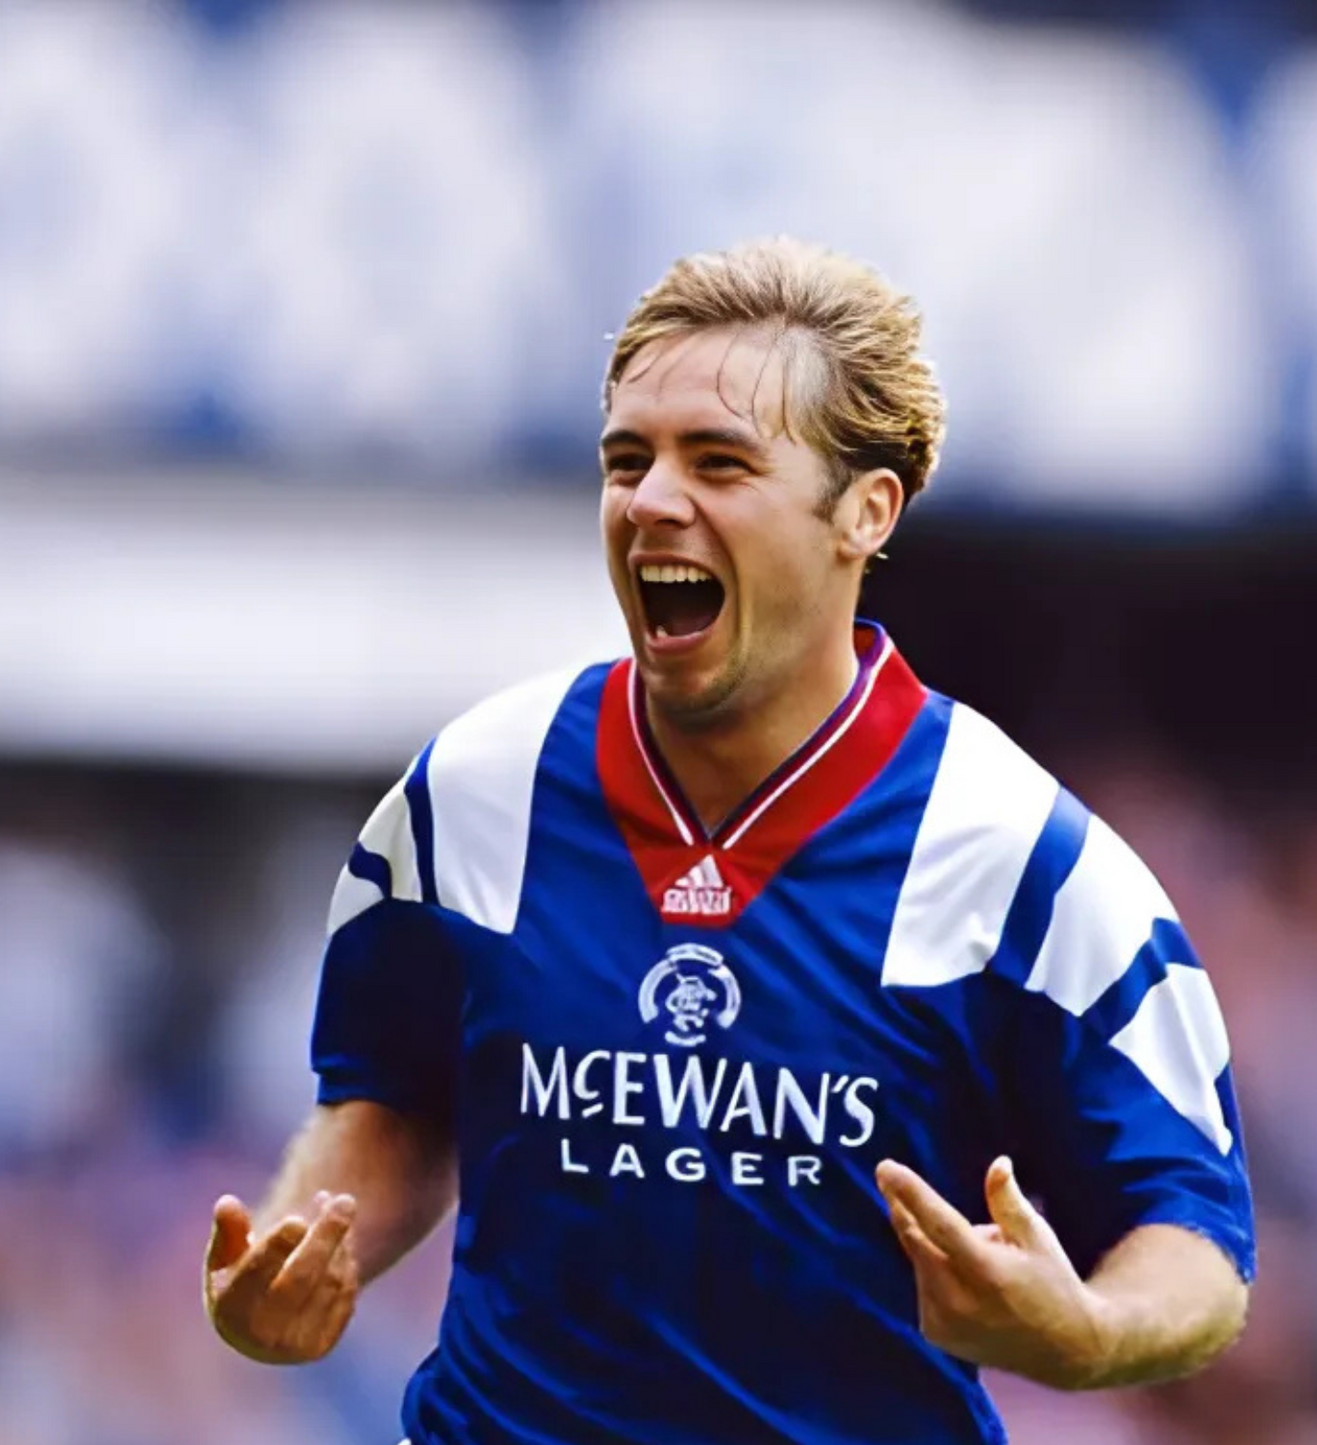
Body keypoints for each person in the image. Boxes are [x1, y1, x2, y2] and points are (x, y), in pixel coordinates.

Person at [204, 238, 1255, 1445]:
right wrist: (294, 1252)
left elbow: (1195, 1241)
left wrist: (1082, 1331)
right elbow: (392, 1093)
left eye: (717, 461)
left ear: (864, 512)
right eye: (626, 458)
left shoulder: (1021, 855)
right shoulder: (474, 790)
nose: (651, 499)